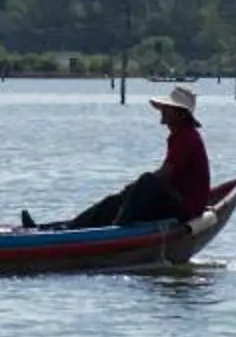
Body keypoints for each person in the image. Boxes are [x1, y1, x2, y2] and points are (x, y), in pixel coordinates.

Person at [34, 84, 211, 229]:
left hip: (185, 208)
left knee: (145, 182)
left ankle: (117, 228)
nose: (163, 111)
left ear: (180, 114)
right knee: (117, 199)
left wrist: (137, 188)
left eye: (168, 109)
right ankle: (59, 228)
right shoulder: (181, 135)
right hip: (177, 201)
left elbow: (164, 174)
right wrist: (131, 192)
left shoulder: (186, 137)